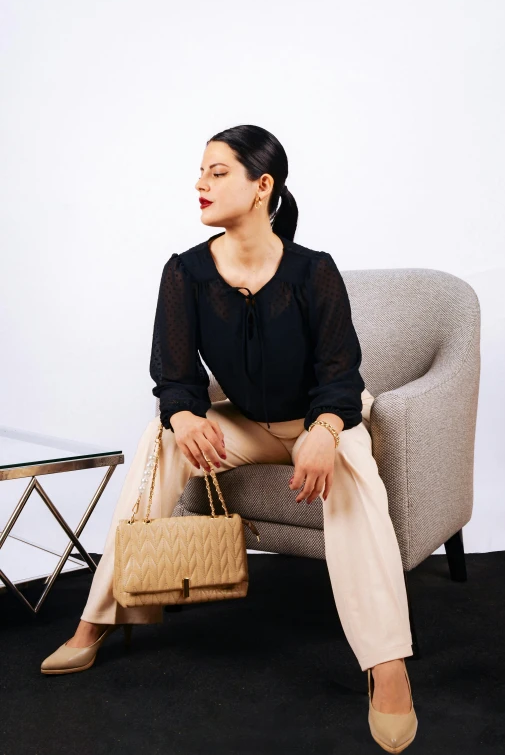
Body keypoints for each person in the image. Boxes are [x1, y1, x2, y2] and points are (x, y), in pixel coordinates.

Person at [41, 125, 418, 751]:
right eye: (201, 171)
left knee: (351, 469)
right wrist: (184, 417)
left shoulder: (312, 272)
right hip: (243, 423)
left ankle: (387, 666)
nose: (200, 183)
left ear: (261, 185)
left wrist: (325, 431)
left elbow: (340, 376)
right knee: (160, 439)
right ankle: (97, 619)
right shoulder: (186, 272)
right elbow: (174, 374)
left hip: (322, 421)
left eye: (217, 171)